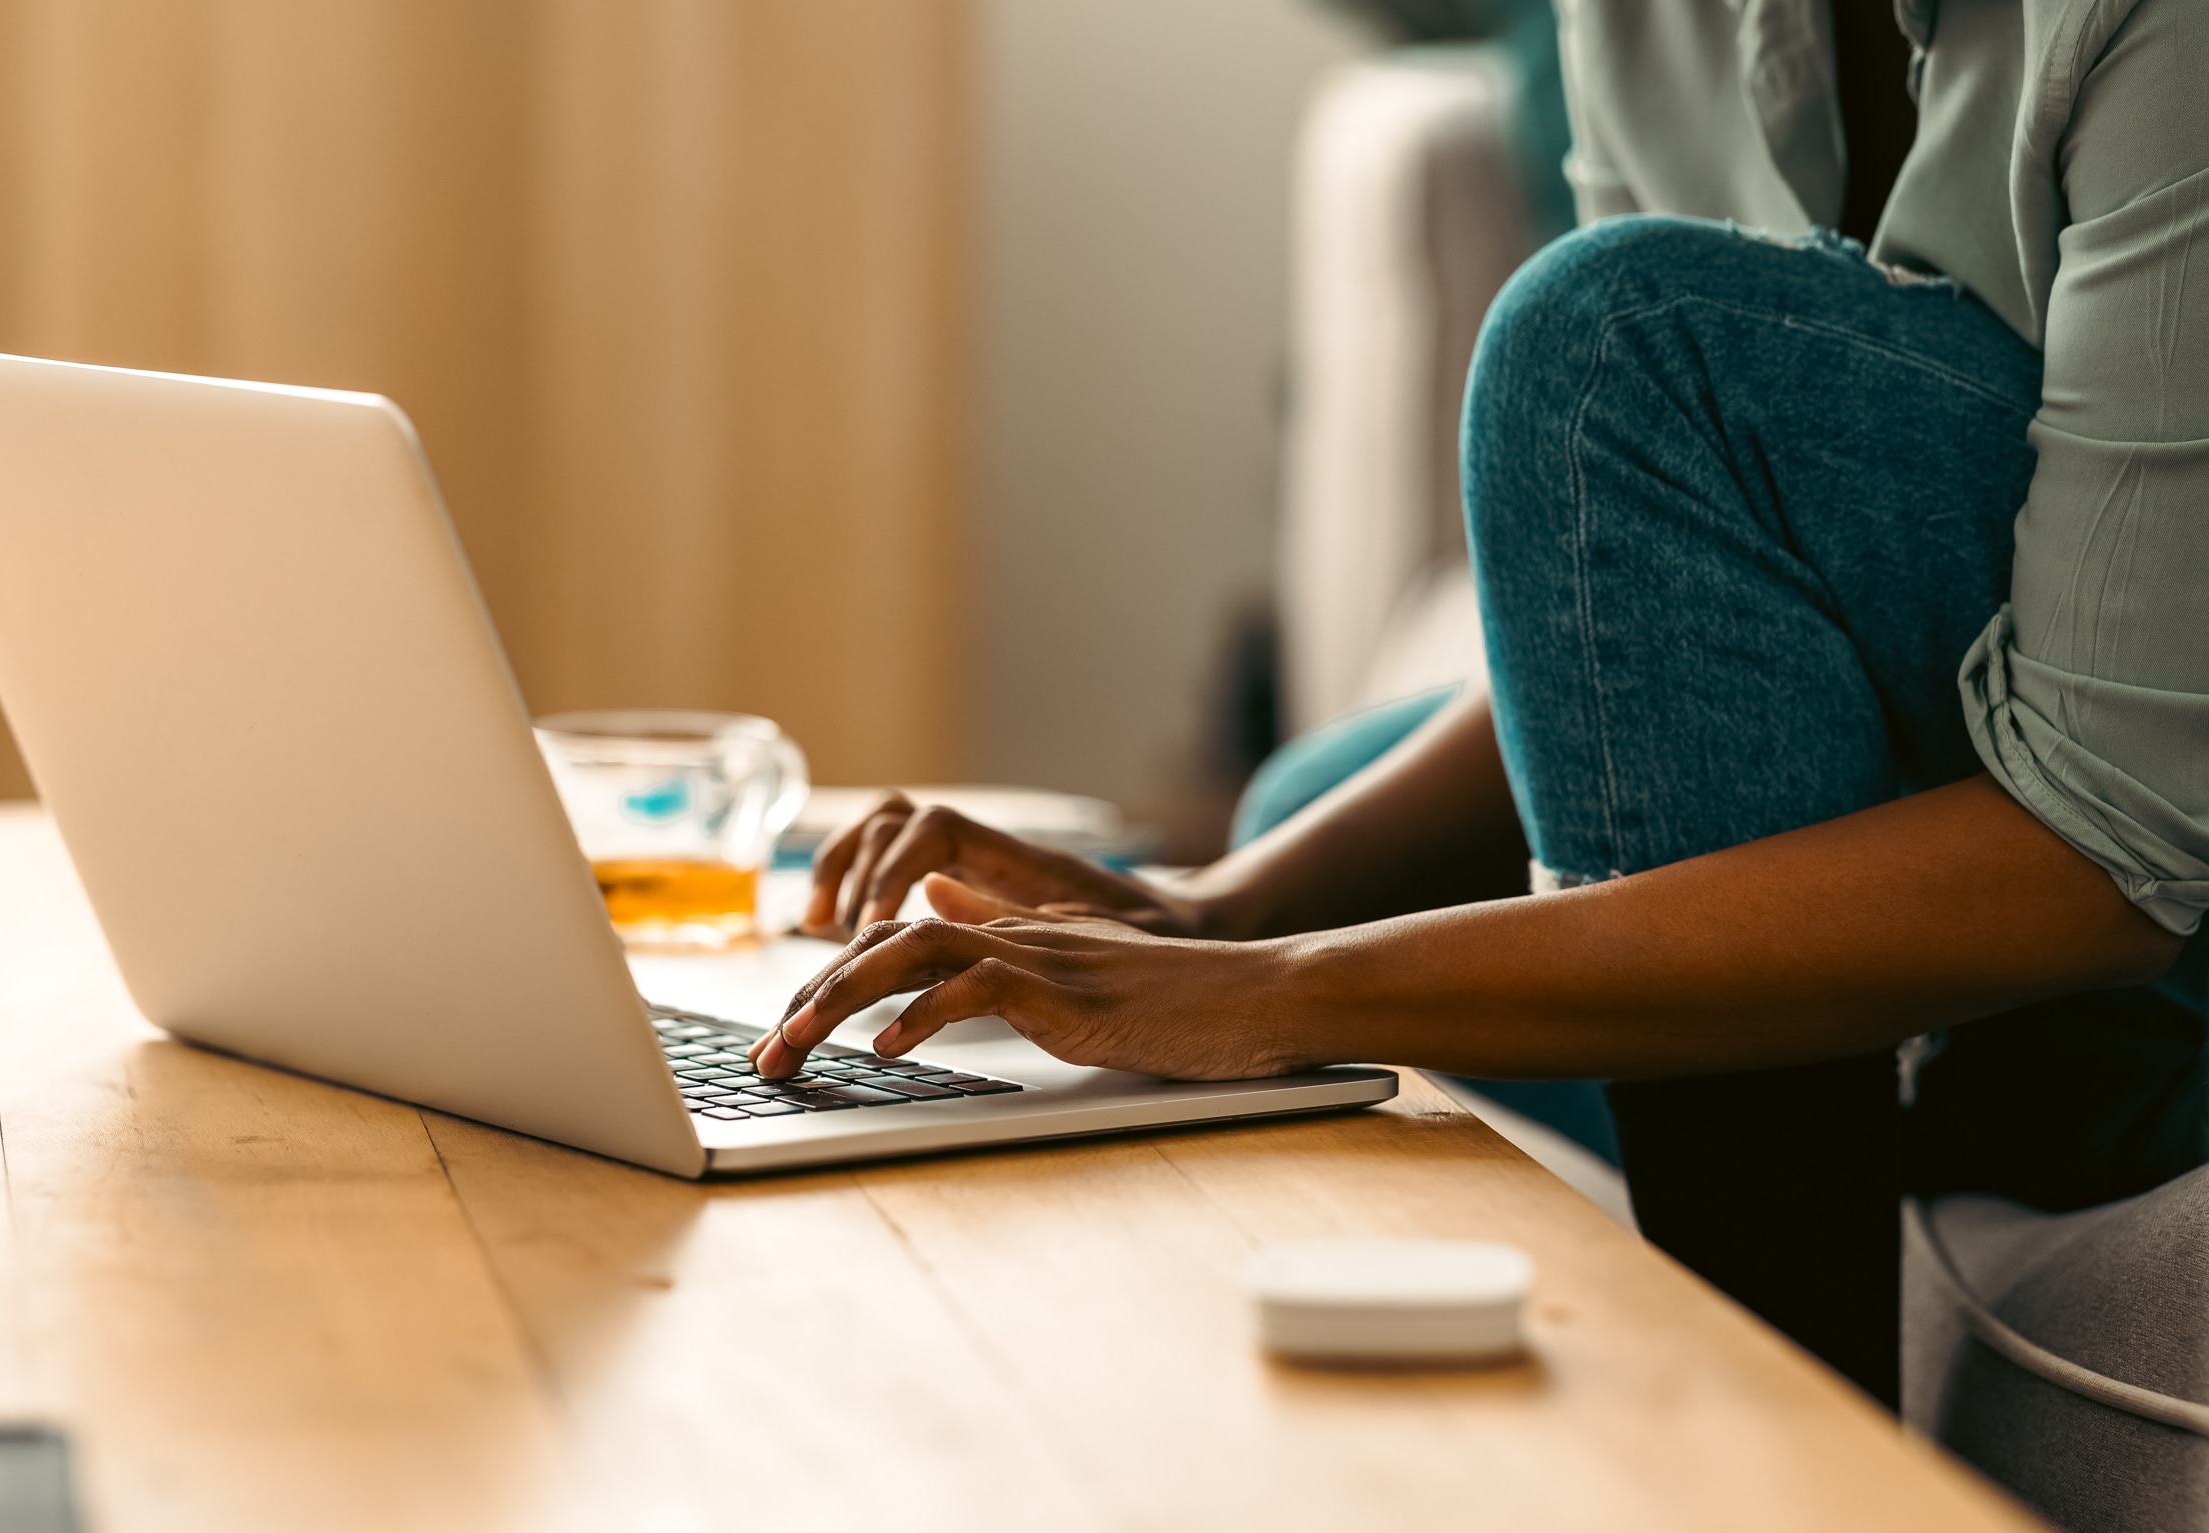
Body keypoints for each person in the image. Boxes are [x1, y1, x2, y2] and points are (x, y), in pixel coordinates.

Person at [749, 0, 2208, 1411]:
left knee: (1615, 337)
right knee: (1311, 808)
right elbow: (1635, 560)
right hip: (1965, 791)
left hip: (2142, 930)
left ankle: (1781, 1440)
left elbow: (2116, 844)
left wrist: (1283, 989)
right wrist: (1216, 913)